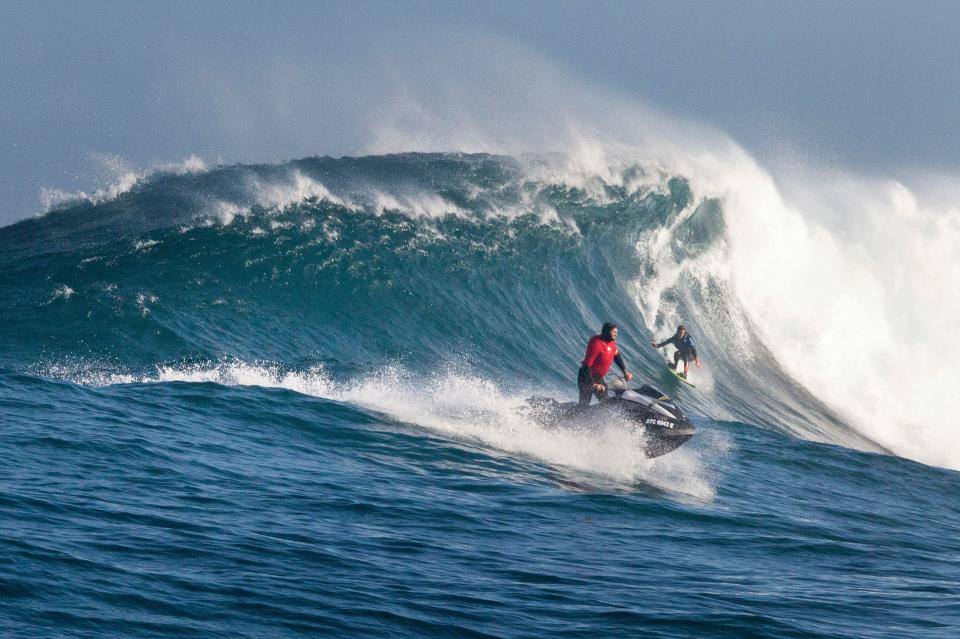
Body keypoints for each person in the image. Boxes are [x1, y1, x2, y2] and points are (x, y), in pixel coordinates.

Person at [578, 322, 633, 407]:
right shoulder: (597, 343)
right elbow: (586, 366)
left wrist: (625, 371)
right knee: (583, 405)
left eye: (616, 332)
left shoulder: (611, 344)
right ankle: (565, 418)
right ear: (607, 332)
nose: (616, 335)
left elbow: (617, 356)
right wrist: (593, 384)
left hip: (598, 378)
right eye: (614, 332)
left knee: (606, 404)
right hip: (586, 377)